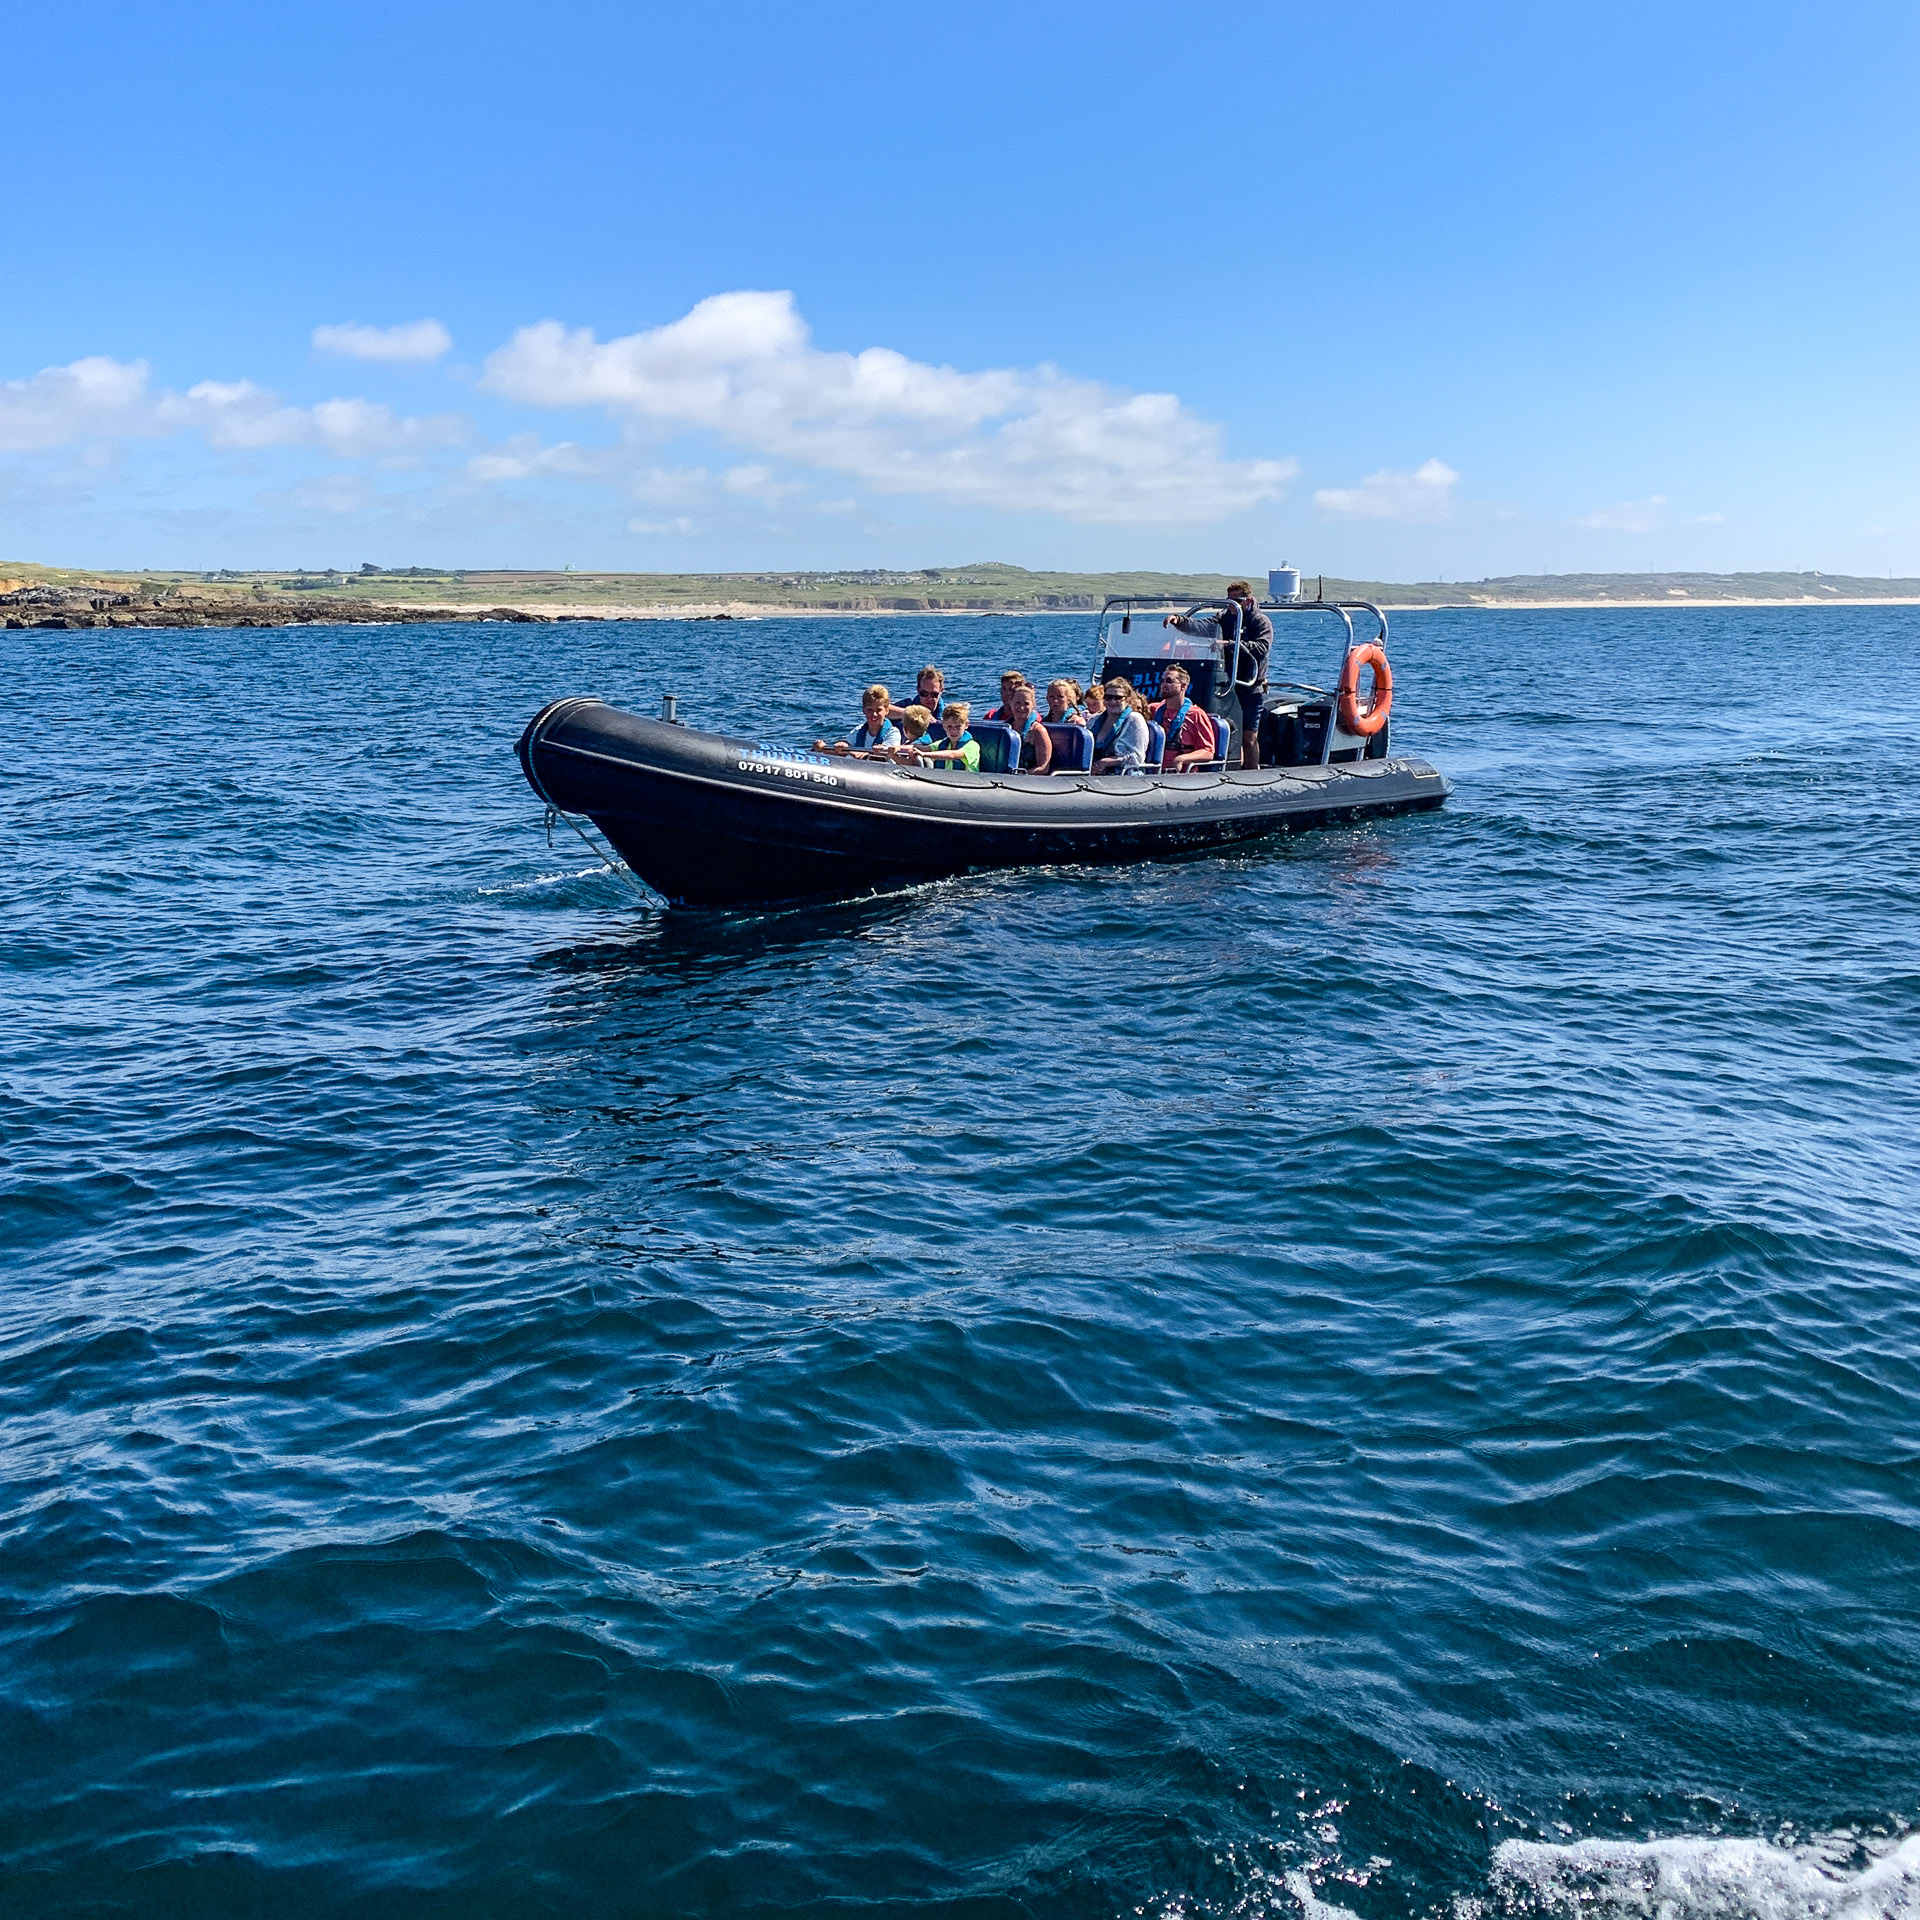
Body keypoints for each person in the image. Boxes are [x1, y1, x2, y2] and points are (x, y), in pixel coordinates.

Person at [1165, 579, 1272, 767]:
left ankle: (1252, 773)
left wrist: (1231, 644)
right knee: (1232, 730)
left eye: (1237, 602)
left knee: (1249, 736)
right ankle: (1231, 769)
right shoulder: (1223, 618)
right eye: (1229, 601)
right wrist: (1179, 621)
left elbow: (1262, 648)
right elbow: (1203, 627)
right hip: (1225, 682)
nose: (1232, 606)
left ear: (1248, 601)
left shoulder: (1260, 621)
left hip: (1250, 685)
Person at [1153, 665, 1220, 771]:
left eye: (1169, 681)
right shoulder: (1156, 710)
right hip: (1155, 769)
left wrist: (1182, 759)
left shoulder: (1196, 714)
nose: (1164, 685)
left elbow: (1208, 752)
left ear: (1183, 686)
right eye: (1162, 681)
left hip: (1182, 775)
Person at [815, 683, 901, 757]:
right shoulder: (858, 730)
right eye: (870, 710)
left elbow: (887, 753)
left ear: (886, 711)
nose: (874, 714)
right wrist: (827, 748)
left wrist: (862, 755)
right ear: (864, 710)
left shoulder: (893, 733)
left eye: (879, 710)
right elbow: (847, 744)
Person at [1090, 678, 1149, 773]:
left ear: (1128, 700)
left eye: (1118, 698)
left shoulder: (1135, 720)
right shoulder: (1093, 720)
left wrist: (1106, 762)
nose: (1113, 701)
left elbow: (1137, 757)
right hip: (1094, 772)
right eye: (1109, 697)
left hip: (1124, 774)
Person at [1003, 679, 1054, 773]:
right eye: (1018, 703)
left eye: (1026, 704)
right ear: (1011, 703)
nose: (1021, 708)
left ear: (1033, 705)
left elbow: (1043, 768)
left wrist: (1018, 776)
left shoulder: (1038, 731)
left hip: (1029, 781)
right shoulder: (1006, 729)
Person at [917, 700, 981, 771]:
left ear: (966, 725)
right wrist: (904, 748)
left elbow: (952, 755)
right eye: (949, 726)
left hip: (966, 781)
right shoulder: (942, 744)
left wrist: (924, 754)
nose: (954, 731)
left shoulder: (972, 746)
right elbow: (924, 748)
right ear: (944, 725)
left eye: (958, 727)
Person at [890, 665, 945, 730]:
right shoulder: (906, 706)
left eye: (934, 694)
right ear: (918, 689)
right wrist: (912, 714)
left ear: (941, 691)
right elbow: (881, 708)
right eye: (924, 693)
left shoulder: (948, 714)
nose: (929, 698)